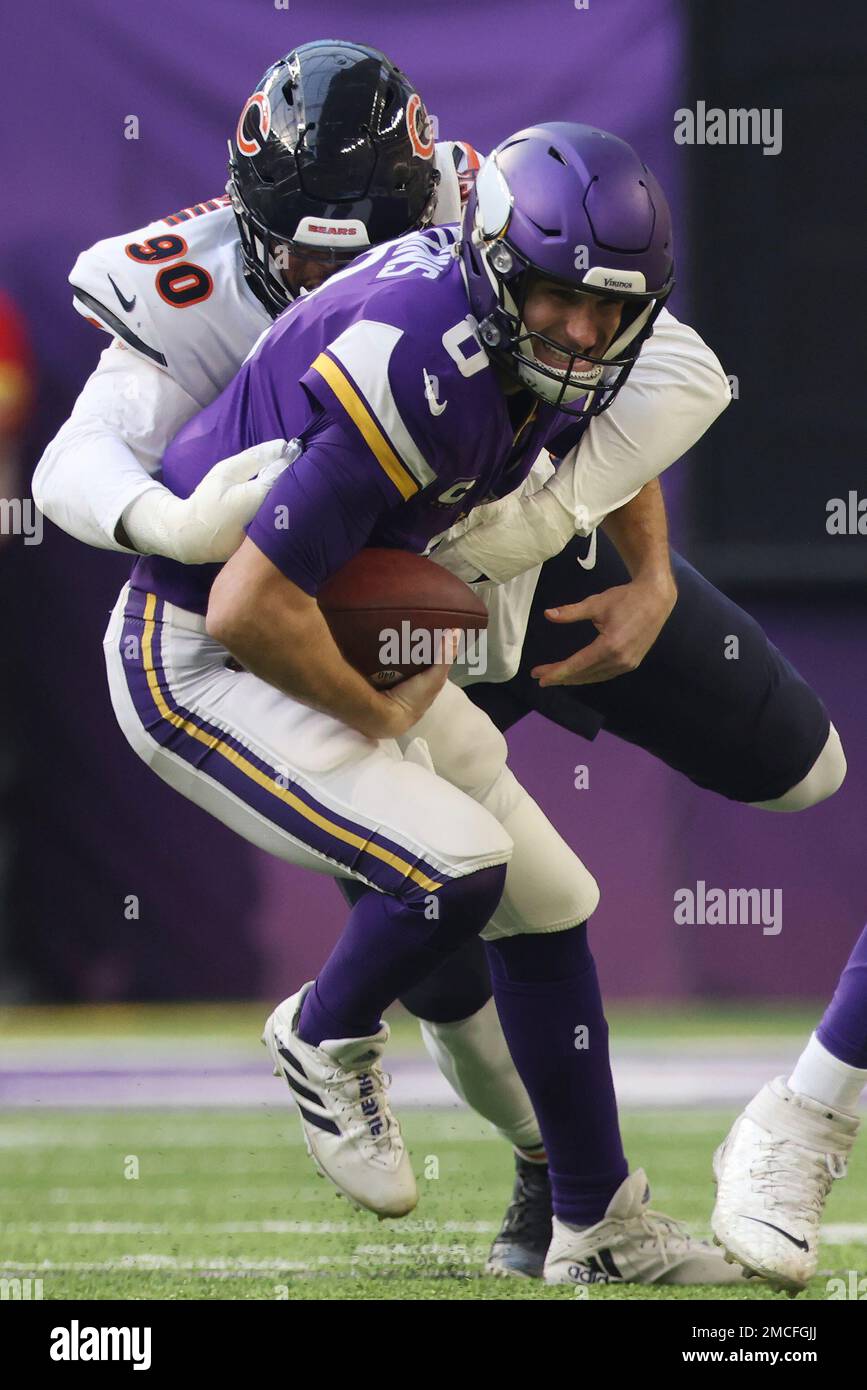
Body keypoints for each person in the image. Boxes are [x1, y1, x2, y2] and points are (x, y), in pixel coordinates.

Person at [33, 45, 745, 1284]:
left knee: (550, 893)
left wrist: (637, 563)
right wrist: (380, 695)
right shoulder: (419, 353)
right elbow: (245, 596)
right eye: (558, 304)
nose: (580, 333)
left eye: (603, 311)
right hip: (204, 645)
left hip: (315, 609)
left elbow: (622, 389)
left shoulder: (537, 276)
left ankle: (594, 1221)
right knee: (452, 870)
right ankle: (324, 1033)